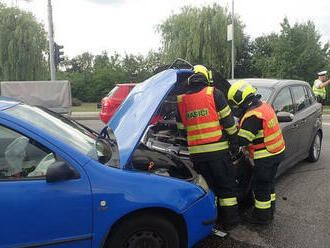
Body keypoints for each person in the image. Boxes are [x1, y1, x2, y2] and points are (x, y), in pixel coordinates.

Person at [176, 65, 240, 231]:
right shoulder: (214, 93)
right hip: (218, 153)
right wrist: (234, 141)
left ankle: (210, 223)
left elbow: (181, 129)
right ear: (206, 77)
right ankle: (230, 223)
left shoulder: (181, 100)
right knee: (226, 188)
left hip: (197, 156)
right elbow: (229, 122)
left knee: (207, 189)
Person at [227, 80, 285, 225]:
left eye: (235, 103)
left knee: (260, 187)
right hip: (277, 152)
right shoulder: (264, 105)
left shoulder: (253, 115)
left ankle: (261, 217)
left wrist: (229, 135)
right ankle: (270, 210)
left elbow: (243, 140)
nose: (236, 107)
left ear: (240, 99)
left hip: (265, 157)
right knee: (269, 184)